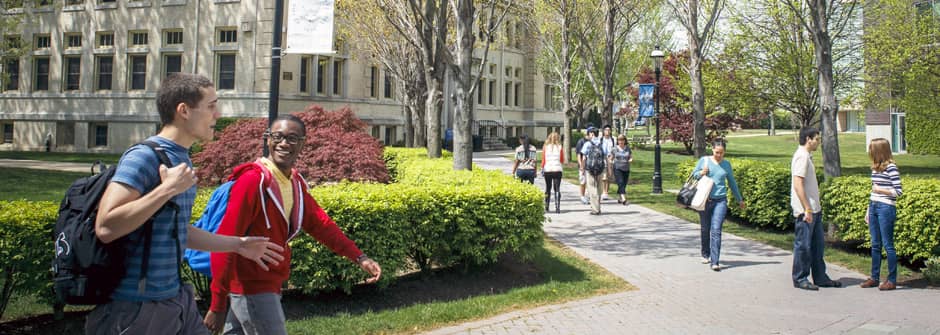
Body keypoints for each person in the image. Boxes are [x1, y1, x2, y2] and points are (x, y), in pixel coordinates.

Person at [88, 73, 285, 335]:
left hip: (176, 300)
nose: (218, 115)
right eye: (211, 106)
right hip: (137, 310)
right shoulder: (144, 157)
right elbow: (106, 226)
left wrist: (238, 245)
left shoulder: (181, 159)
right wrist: (167, 189)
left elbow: (178, 228)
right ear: (184, 110)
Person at [204, 115, 383, 334]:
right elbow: (225, 242)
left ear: (302, 143)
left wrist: (359, 257)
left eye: (292, 138)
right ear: (267, 139)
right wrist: (217, 303)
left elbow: (322, 225)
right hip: (252, 288)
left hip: (266, 285)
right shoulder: (252, 181)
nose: (283, 143)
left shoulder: (294, 183)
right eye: (277, 136)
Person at [790, 127, 842, 290]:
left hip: (814, 209)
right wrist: (807, 209)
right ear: (808, 139)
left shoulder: (807, 156)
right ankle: (800, 278)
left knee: (817, 246)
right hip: (806, 212)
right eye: (817, 139)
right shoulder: (802, 157)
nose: (818, 142)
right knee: (803, 246)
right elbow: (798, 184)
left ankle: (820, 277)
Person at [691, 139, 745, 271]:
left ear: (724, 152)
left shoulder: (726, 164)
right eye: (716, 152)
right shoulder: (704, 161)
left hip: (720, 201)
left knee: (716, 230)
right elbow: (694, 175)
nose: (719, 155)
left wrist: (739, 199)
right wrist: (701, 173)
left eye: (721, 153)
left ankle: (715, 261)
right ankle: (705, 253)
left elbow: (732, 183)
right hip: (705, 200)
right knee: (705, 229)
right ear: (712, 150)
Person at [860, 138, 903, 291]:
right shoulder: (875, 168)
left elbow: (898, 191)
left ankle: (891, 280)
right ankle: (874, 277)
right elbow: (873, 189)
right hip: (874, 206)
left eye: (872, 149)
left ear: (879, 151)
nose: (869, 152)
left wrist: (881, 191)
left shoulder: (891, 167)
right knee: (875, 244)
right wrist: (868, 210)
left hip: (886, 207)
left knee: (888, 245)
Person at [579, 127, 608, 215]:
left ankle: (595, 209)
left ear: (592, 134)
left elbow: (583, 158)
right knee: (599, 188)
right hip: (600, 169)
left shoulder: (587, 144)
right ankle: (598, 206)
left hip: (590, 169)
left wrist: (582, 168)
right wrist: (608, 169)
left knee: (592, 188)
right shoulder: (603, 143)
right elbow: (606, 157)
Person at [541, 132, 564, 213]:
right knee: (557, 188)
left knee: (548, 188)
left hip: (548, 169)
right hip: (557, 169)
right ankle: (557, 207)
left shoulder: (545, 147)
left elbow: (543, 159)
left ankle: (546, 206)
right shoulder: (560, 147)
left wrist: (542, 167)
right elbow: (562, 159)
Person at [611, 135, 633, 205]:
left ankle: (620, 198)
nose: (620, 142)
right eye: (619, 140)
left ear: (624, 141)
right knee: (620, 182)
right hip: (617, 168)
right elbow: (610, 158)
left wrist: (630, 160)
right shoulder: (614, 149)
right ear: (617, 141)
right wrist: (612, 162)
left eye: (622, 140)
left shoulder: (628, 149)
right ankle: (624, 199)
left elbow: (630, 157)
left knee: (624, 183)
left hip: (626, 168)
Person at [575, 126, 595, 204]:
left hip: (591, 166)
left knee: (591, 182)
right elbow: (578, 154)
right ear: (588, 133)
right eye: (592, 133)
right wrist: (581, 166)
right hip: (583, 165)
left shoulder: (593, 142)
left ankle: (590, 196)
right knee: (583, 181)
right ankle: (582, 196)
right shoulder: (581, 141)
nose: (593, 134)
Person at [599, 125, 615, 201]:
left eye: (609, 130)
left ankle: (606, 192)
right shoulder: (601, 139)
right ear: (603, 131)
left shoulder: (613, 139)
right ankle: (603, 192)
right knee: (604, 177)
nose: (607, 131)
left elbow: (615, 149)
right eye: (606, 130)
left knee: (609, 176)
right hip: (603, 159)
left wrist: (612, 156)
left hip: (611, 159)